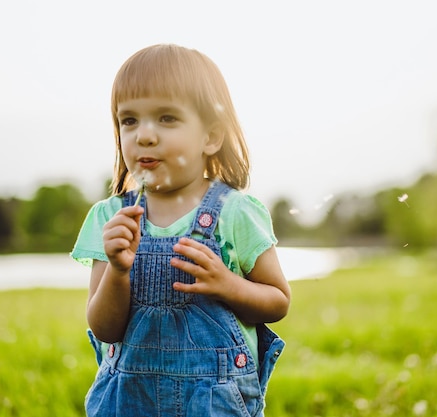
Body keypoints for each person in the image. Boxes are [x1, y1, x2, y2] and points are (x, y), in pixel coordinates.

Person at [71, 44, 291, 417]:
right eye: (129, 120)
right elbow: (104, 328)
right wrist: (118, 271)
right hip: (128, 399)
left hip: (212, 401)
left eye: (167, 118)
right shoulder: (110, 217)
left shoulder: (234, 212)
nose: (144, 135)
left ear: (211, 137)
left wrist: (228, 284)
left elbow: (278, 300)